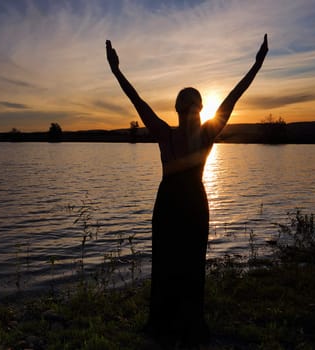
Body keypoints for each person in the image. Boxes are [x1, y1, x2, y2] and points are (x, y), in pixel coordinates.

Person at [106, 35, 268, 346]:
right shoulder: (165, 134)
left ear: (199, 108)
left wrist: (257, 64)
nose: (190, 109)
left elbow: (234, 97)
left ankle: (189, 325)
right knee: (165, 263)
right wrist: (116, 71)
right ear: (179, 108)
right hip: (168, 204)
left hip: (193, 203)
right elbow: (136, 100)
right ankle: (164, 324)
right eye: (186, 104)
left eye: (194, 104)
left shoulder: (206, 134)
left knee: (192, 265)